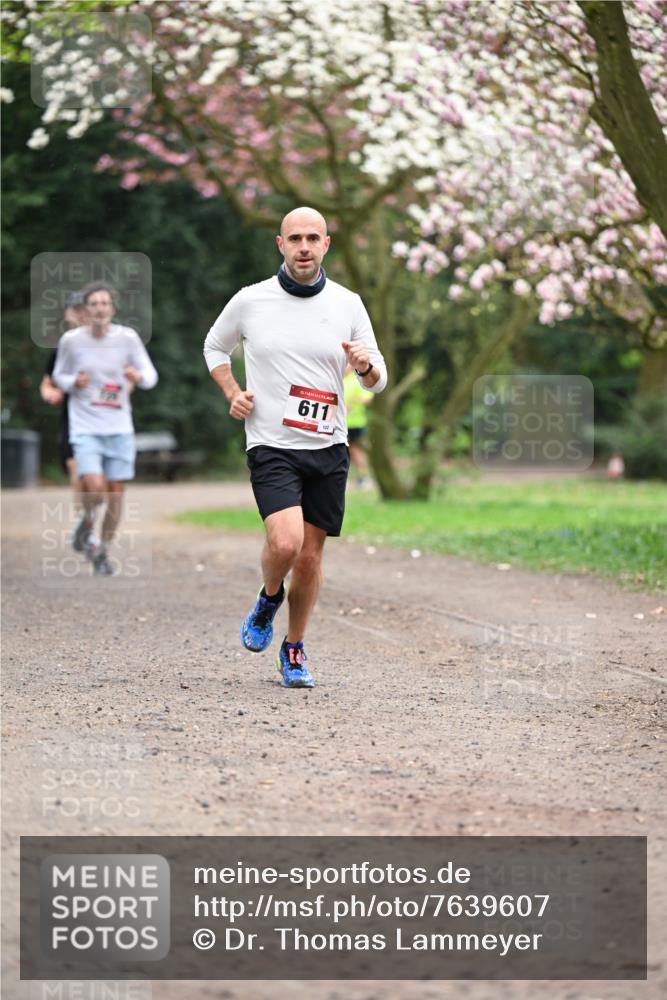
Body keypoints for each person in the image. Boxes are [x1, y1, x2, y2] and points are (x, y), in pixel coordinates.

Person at [204, 206, 387, 688]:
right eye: (294, 238)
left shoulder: (348, 303)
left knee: (309, 558)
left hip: (328, 446)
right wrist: (233, 392)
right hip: (272, 443)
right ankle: (268, 599)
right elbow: (214, 347)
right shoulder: (251, 301)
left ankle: (294, 648)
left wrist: (366, 366)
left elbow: (377, 380)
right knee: (285, 543)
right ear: (280, 245)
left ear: (327, 244)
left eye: (313, 238)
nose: (304, 246)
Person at [53, 281, 158, 576]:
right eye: (94, 304)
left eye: (104, 303)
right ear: (86, 310)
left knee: (116, 494)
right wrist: (75, 382)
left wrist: (136, 375)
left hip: (119, 427)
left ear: (112, 308)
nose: (99, 309)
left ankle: (100, 546)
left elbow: (151, 376)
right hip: (85, 426)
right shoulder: (72, 341)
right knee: (96, 487)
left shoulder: (127, 338)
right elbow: (58, 375)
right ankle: (86, 521)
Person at [40, 291, 88, 491]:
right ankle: (85, 520)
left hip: (105, 416)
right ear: (68, 314)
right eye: (75, 310)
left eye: (83, 309)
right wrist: (50, 394)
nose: (80, 314)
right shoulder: (61, 348)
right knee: (74, 466)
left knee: (99, 478)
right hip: (72, 416)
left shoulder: (109, 346)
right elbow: (46, 383)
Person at [344, 364, 373, 488]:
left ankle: (364, 478)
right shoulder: (338, 379)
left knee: (356, 451)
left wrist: (352, 402)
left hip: (355, 422)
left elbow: (367, 398)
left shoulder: (356, 380)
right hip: (339, 423)